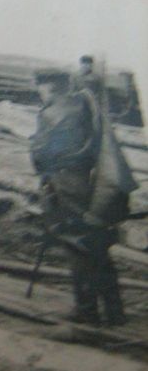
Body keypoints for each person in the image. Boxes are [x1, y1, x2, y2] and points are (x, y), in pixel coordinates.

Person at [29, 68, 136, 325]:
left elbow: (42, 154)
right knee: (97, 245)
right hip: (88, 183)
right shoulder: (83, 104)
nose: (39, 93)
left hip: (67, 184)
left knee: (77, 246)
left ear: (48, 87)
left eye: (39, 87)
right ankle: (115, 312)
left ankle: (87, 312)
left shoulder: (55, 112)